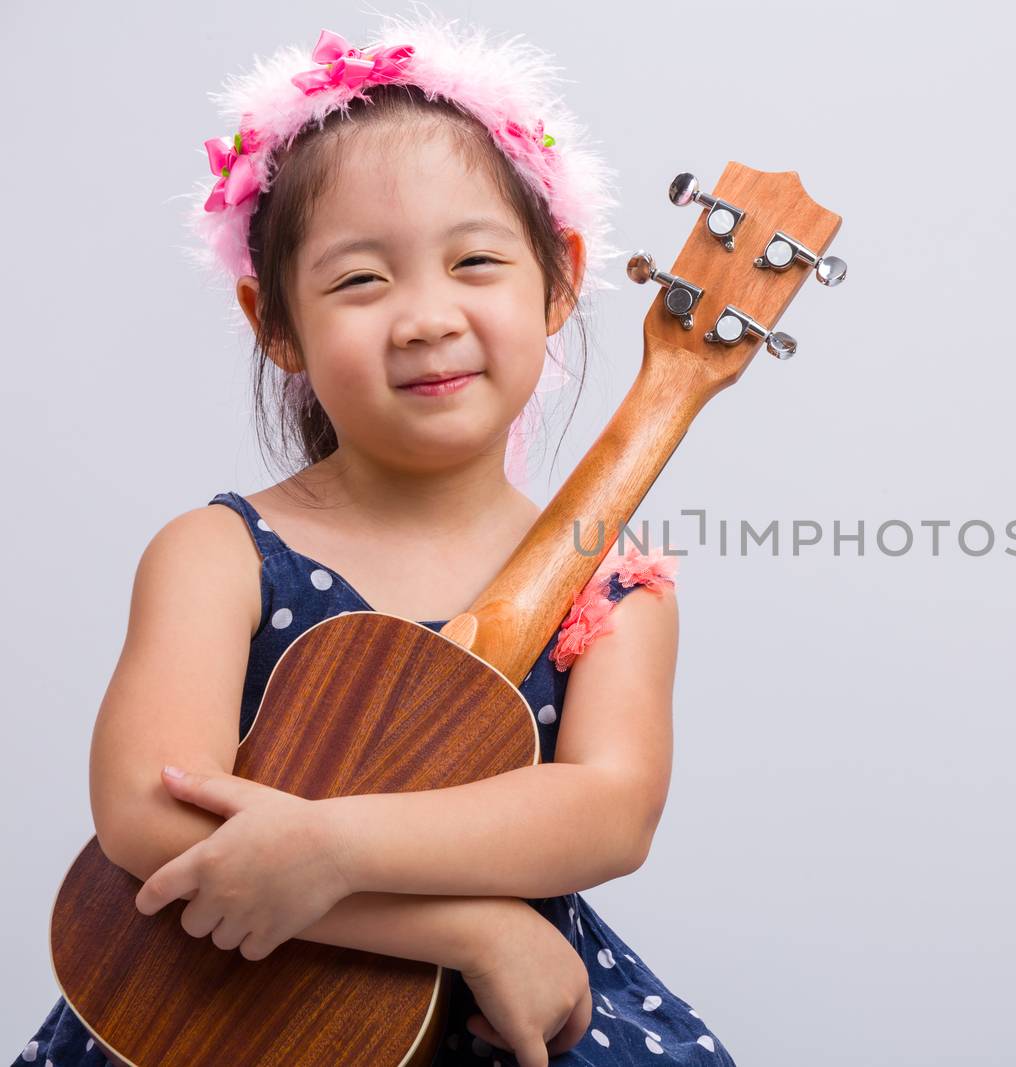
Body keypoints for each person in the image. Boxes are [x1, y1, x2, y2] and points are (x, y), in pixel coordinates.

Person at [11, 8, 735, 1066]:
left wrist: (331, 844)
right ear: (277, 324)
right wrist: (465, 925)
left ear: (562, 279)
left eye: (475, 261)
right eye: (360, 279)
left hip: (498, 1017)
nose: (426, 316)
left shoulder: (613, 581)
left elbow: (606, 809)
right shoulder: (219, 554)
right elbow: (143, 813)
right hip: (221, 1012)